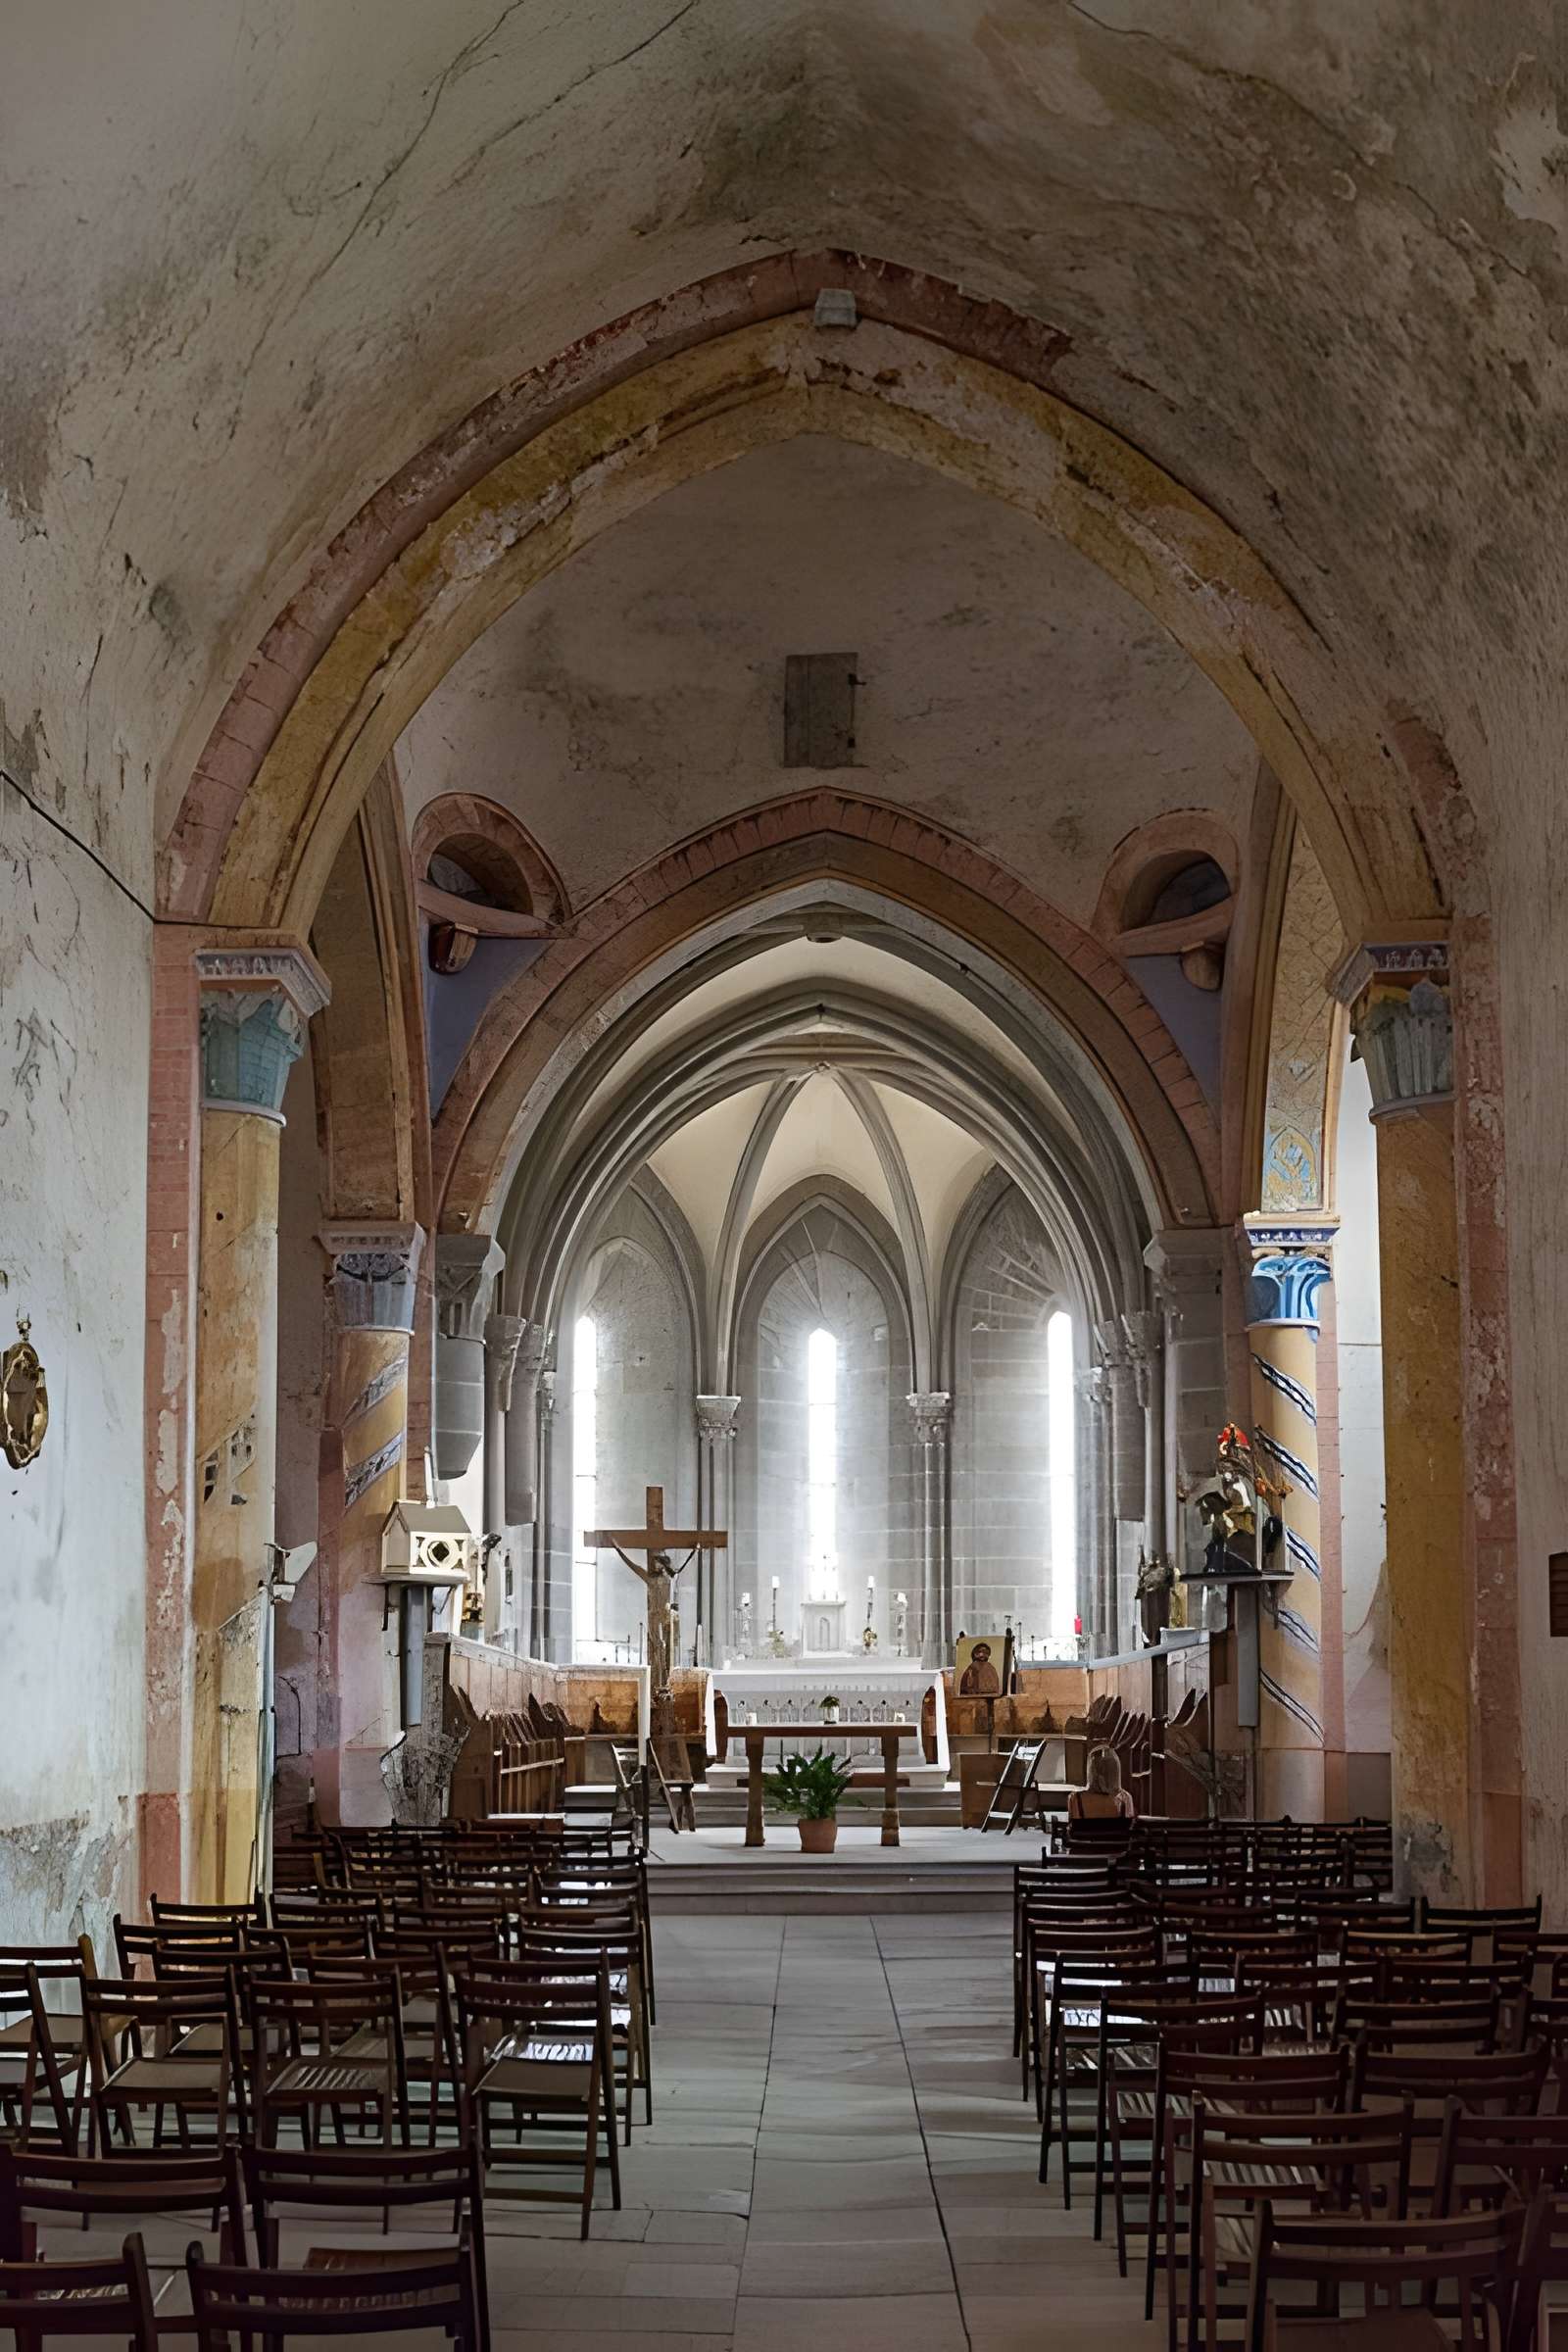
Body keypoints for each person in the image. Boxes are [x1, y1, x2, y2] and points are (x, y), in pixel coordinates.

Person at [1067, 1743, 1136, 1822]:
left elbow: (1073, 1825)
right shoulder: (1125, 1798)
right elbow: (1129, 1826)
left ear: (1091, 1771)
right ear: (1116, 1771)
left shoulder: (1075, 1798)